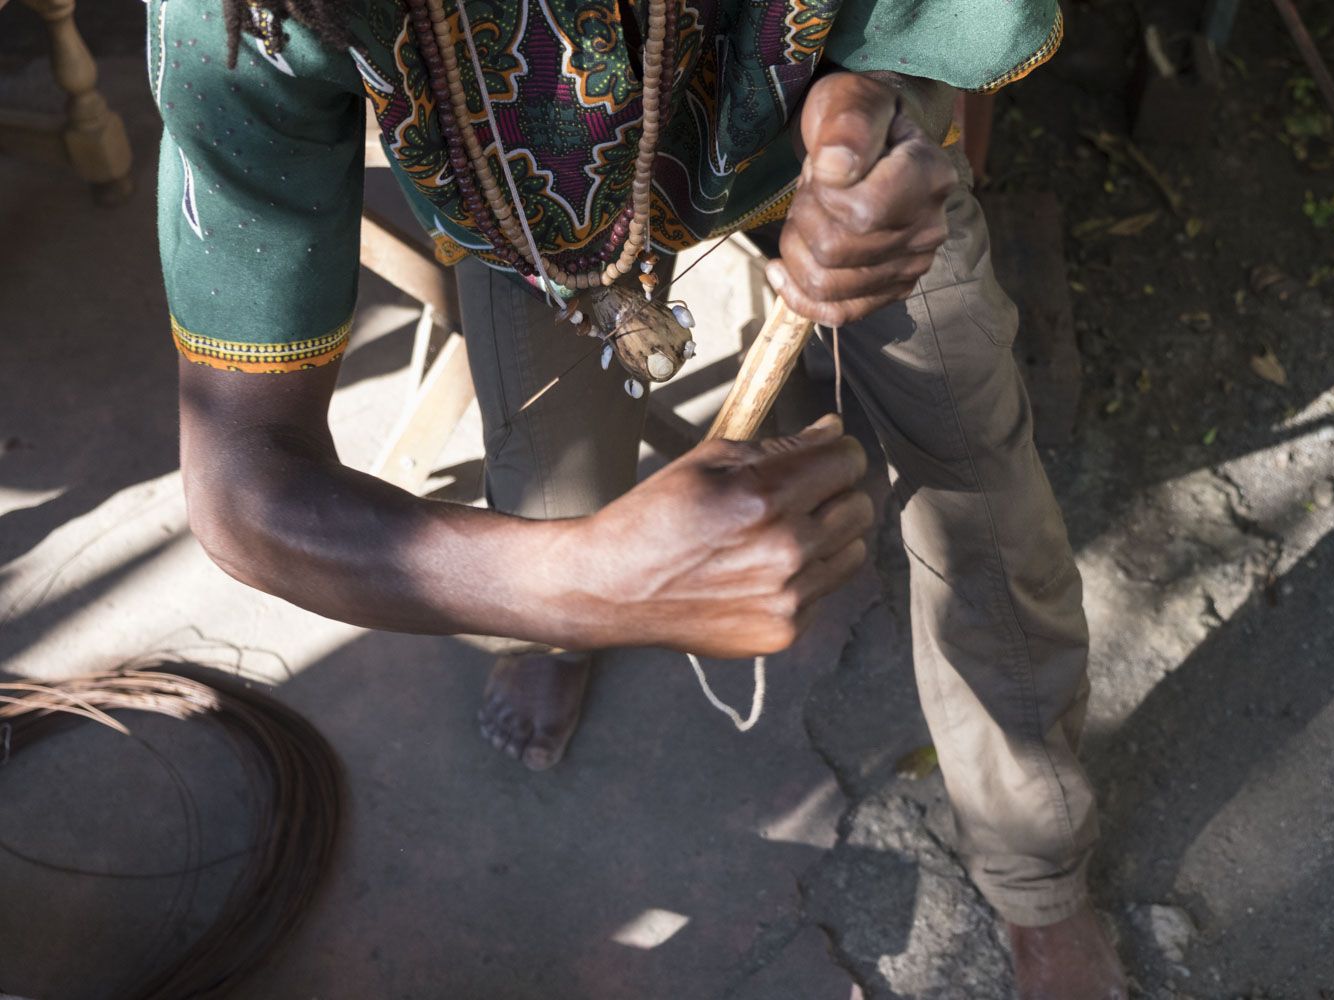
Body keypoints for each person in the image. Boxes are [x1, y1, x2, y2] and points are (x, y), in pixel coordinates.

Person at [150, 0, 1125, 993]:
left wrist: (870, 107)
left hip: (833, 152)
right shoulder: (246, 14)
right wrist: (576, 584)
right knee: (546, 499)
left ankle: (1038, 878)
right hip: (528, 224)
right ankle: (560, 636)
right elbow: (241, 474)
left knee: (980, 493)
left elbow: (939, 44)